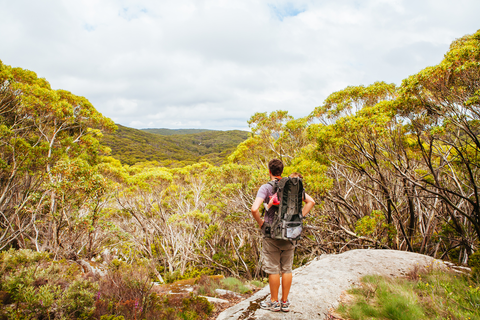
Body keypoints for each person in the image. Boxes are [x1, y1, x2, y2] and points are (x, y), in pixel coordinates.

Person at [251, 160, 315, 312]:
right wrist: (299, 218)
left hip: (271, 234)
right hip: (290, 232)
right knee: (287, 269)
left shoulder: (266, 187)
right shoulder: (291, 187)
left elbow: (254, 209)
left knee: (273, 269)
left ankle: (273, 302)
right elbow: (311, 202)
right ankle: (284, 302)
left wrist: (261, 222)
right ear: (282, 171)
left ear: (269, 171)